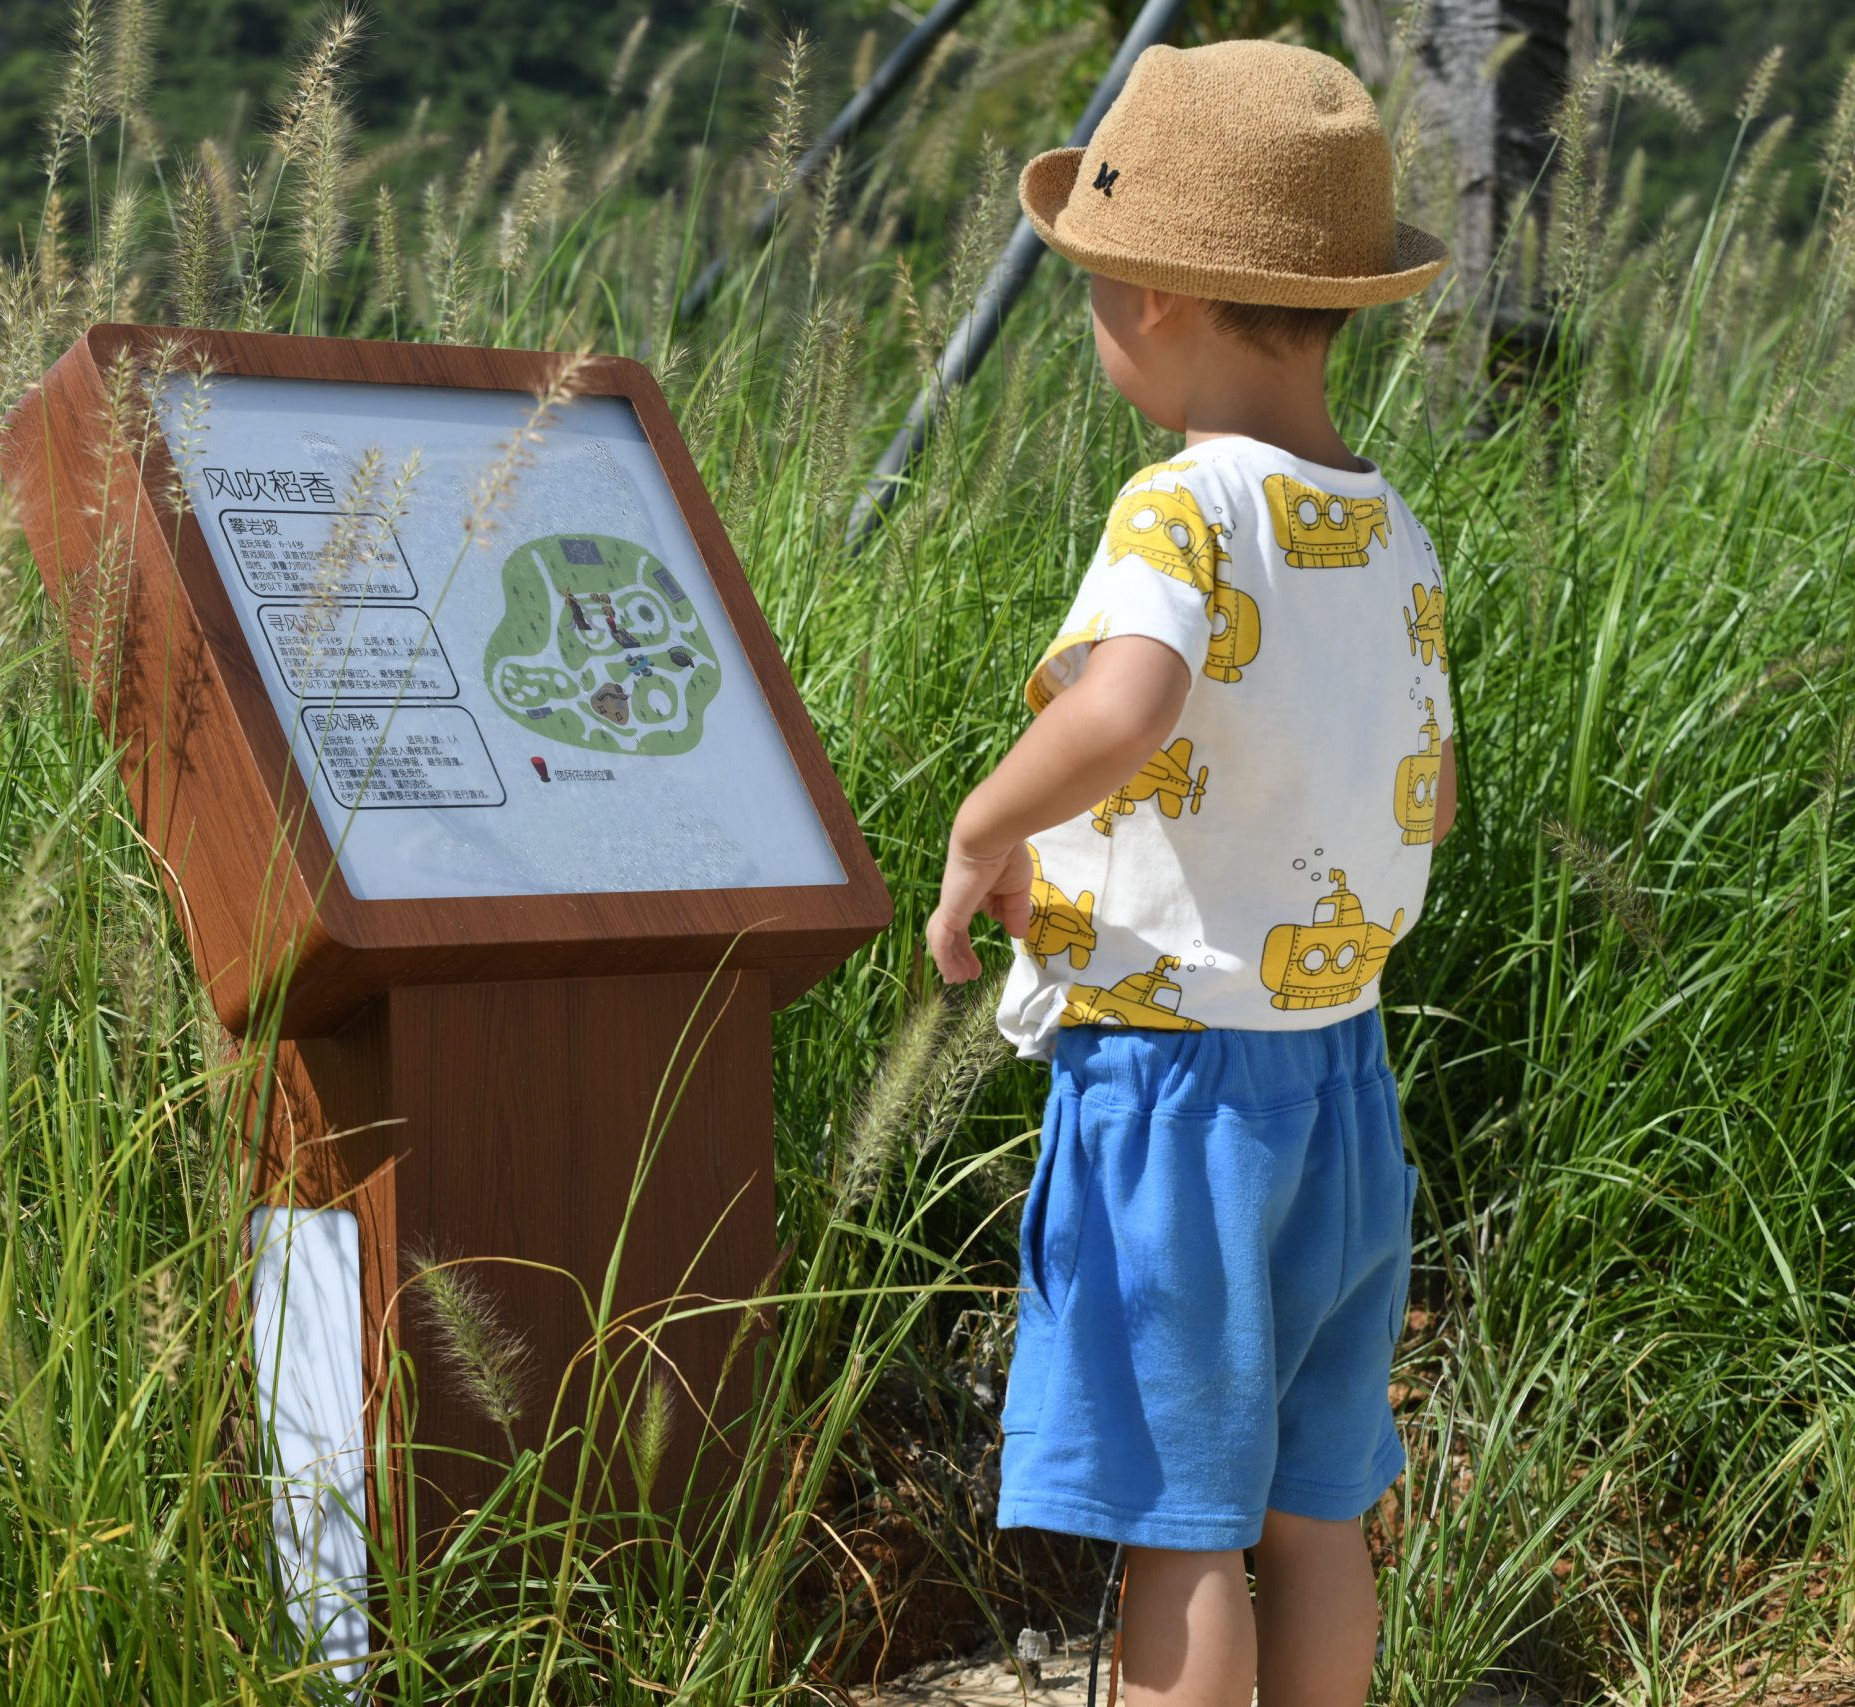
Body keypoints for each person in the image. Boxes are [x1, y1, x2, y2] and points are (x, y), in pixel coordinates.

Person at [921, 39, 1460, 1707]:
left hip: (1177, 1097)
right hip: (1341, 1082)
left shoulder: (1183, 505)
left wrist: (983, 828)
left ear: (1155, 295)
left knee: (1178, 1528)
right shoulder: (1388, 526)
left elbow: (1133, 703)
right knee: (1313, 1517)